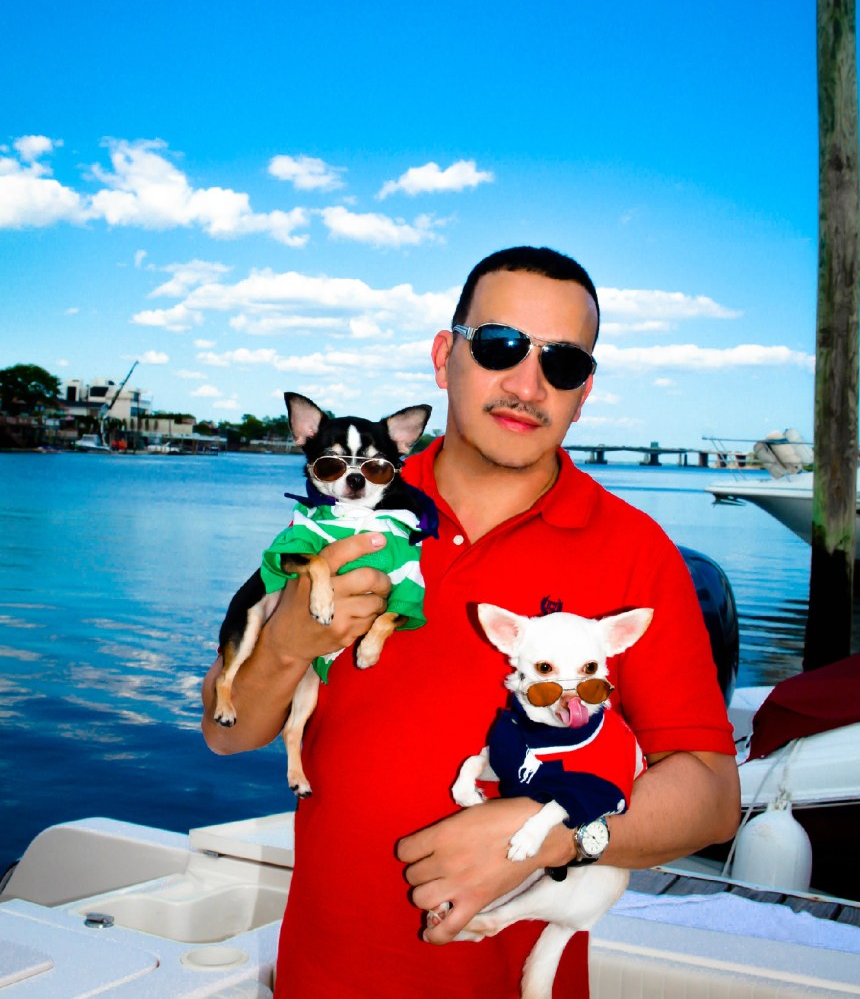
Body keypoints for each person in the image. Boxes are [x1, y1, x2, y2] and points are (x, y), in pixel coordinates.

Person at [201, 245, 740, 999]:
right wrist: (287, 642)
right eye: (499, 346)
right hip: (319, 980)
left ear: (584, 391)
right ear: (443, 355)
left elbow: (712, 794)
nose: (526, 384)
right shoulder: (344, 517)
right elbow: (228, 733)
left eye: (562, 363)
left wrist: (550, 836)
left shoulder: (634, 550)